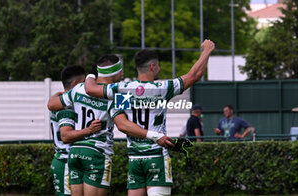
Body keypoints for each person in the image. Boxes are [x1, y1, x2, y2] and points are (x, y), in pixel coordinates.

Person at [85, 40, 215, 196]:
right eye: (158, 65)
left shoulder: (124, 90)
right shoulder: (163, 88)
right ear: (153, 66)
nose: (159, 68)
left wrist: (91, 75)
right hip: (157, 156)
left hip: (135, 159)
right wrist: (207, 50)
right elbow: (195, 75)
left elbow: (93, 91)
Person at [48, 54, 173, 196]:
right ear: (114, 73)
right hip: (97, 153)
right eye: (120, 72)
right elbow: (124, 124)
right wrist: (152, 135)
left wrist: (89, 77)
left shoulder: (79, 89)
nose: (122, 75)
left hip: (76, 152)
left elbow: (51, 104)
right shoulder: (116, 94)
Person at [50, 65, 100, 196]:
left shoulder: (60, 101)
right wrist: (89, 130)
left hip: (69, 159)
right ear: (75, 84)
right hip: (65, 160)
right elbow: (66, 136)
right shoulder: (66, 107)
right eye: (83, 83)